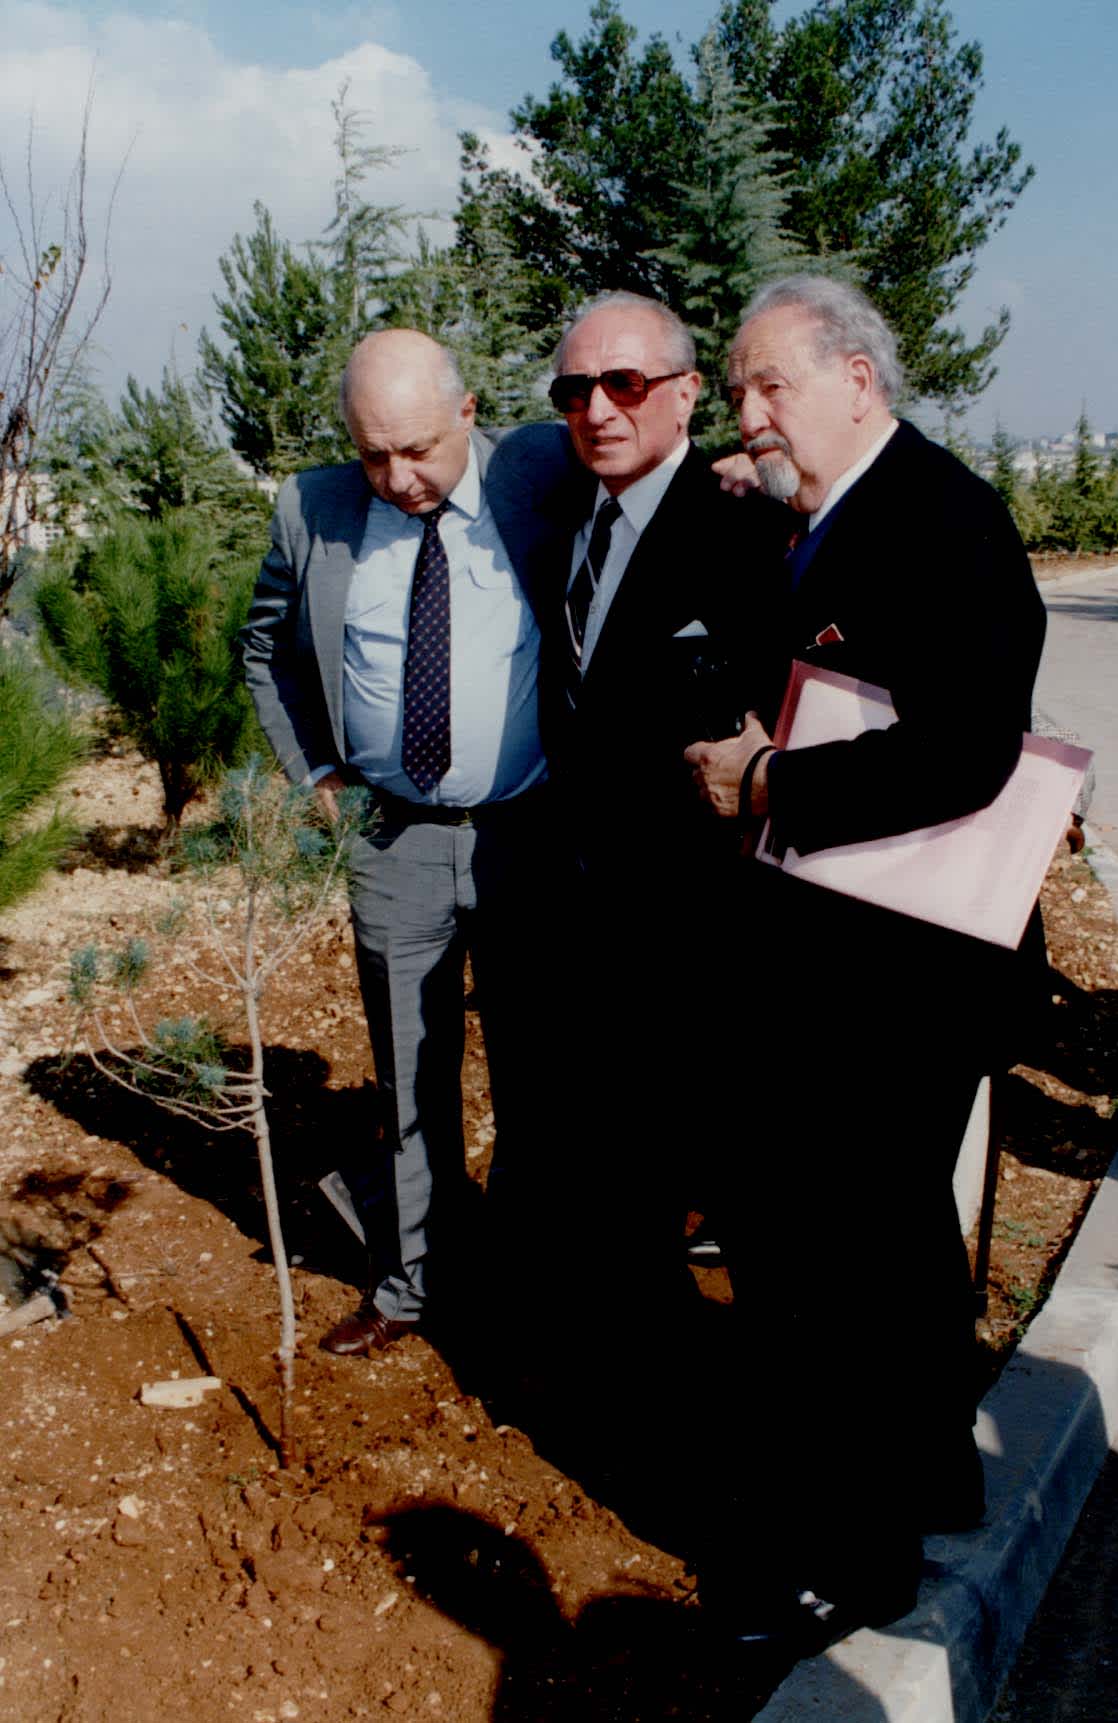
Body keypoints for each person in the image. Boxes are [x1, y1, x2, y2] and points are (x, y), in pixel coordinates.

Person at [684, 275, 1048, 1661]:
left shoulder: (941, 519)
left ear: (858, 377)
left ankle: (859, 1557)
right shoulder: (827, 514)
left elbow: (967, 748)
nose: (751, 414)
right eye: (736, 392)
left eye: (770, 385)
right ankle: (931, 1480)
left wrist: (769, 776)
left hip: (902, 973)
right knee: (894, 1246)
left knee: (845, 1256)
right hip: (853, 959)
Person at [241, 329, 571, 1356]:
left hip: (528, 829)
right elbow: (265, 647)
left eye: (419, 449)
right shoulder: (314, 507)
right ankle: (413, 1284)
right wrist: (316, 771)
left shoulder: (541, 478)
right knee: (408, 1066)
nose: (398, 477)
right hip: (389, 834)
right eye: (372, 453)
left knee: (535, 1065)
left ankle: (526, 1278)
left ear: (468, 413)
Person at [539, 291, 773, 1304]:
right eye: (574, 388)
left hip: (710, 931)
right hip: (588, 920)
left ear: (684, 395)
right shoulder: (556, 517)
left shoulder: (746, 525)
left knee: (743, 1191)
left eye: (624, 383)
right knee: (622, 1178)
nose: (597, 408)